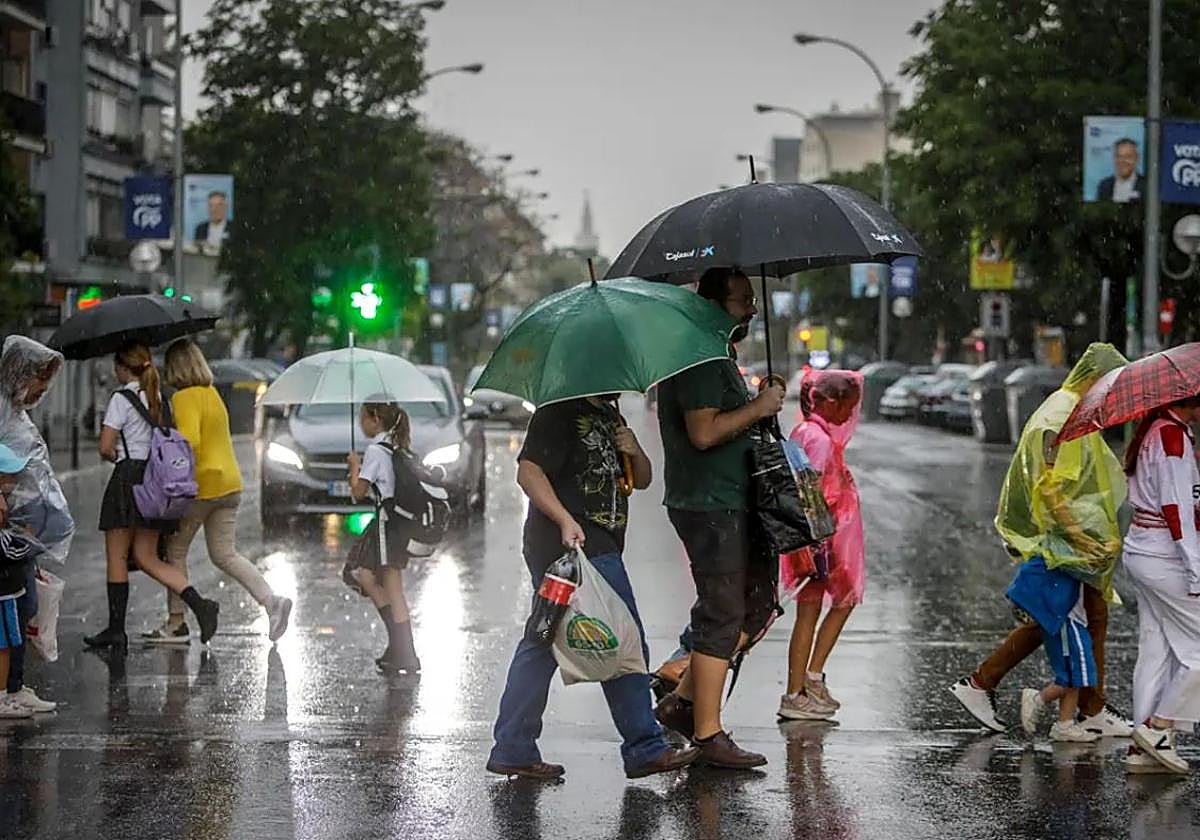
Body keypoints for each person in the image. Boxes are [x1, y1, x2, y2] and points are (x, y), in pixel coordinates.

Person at [487, 396, 698, 781]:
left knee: (543, 642)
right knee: (622, 637)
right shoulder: (557, 411)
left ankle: (513, 748)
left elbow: (644, 479)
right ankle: (644, 747)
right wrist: (565, 520)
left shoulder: (608, 413)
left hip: (596, 543)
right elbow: (529, 473)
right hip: (572, 546)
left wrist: (634, 449)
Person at [950, 343, 1132, 737]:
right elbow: (1051, 488)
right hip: (1068, 542)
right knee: (1056, 617)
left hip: (1079, 540)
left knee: (1082, 617)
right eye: (1112, 386)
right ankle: (985, 683)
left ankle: (1089, 705)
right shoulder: (1064, 413)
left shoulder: (1071, 408)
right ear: (1097, 380)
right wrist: (1083, 537)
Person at [652, 267, 785, 769]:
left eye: (752, 299)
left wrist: (759, 406)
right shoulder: (702, 354)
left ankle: (683, 703)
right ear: (713, 303)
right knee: (723, 611)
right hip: (710, 503)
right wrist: (758, 408)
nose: (753, 308)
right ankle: (708, 734)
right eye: (742, 299)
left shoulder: (715, 350)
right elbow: (704, 433)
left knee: (750, 606)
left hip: (728, 499)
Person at [147, 340, 292, 645]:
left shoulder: (185, 397)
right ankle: (271, 601)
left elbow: (190, 444)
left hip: (202, 487)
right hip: (229, 484)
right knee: (225, 554)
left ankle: (176, 624)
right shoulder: (212, 394)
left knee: (175, 551)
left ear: (175, 367)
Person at [83, 344, 220, 653]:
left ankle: (116, 630)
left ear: (122, 367)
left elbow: (105, 447)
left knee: (118, 556)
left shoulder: (121, 398)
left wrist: (118, 454)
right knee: (146, 557)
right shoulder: (159, 397)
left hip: (128, 480)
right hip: (156, 480)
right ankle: (200, 605)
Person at [1120, 396, 1200, 774]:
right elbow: (1177, 511)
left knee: (1156, 648)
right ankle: (1158, 728)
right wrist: (1196, 567)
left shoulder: (1155, 430)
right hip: (1166, 556)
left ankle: (1142, 748)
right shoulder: (1171, 439)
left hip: (1144, 551)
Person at [778, 371, 864, 721]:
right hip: (823, 541)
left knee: (808, 612)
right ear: (832, 402)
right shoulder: (821, 440)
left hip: (811, 539)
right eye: (847, 405)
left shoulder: (807, 431)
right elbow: (813, 494)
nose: (849, 414)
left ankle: (796, 692)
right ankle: (811, 679)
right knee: (843, 601)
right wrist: (818, 544)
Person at [0, 336, 73, 714]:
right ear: (21, 373)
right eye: (39, 382)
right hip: (10, 529)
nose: (41, 392)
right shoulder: (2, 411)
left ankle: (15, 684)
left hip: (24, 530)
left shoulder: (14, 410)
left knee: (24, 605)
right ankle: (7, 689)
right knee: (14, 608)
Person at [344, 399, 428, 676]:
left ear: (375, 418)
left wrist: (354, 466)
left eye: (363, 418)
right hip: (396, 526)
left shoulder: (376, 451)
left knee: (392, 587)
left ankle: (406, 653)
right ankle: (398, 648)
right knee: (364, 574)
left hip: (387, 526)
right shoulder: (395, 447)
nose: (360, 424)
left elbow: (358, 493)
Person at [1010, 557, 1102, 743]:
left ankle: (1065, 724)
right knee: (1075, 672)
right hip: (1066, 619)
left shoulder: (1058, 548)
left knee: (1071, 674)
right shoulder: (1062, 550)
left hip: (1069, 617)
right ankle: (1038, 699)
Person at [0, 443, 40, 719]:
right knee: (3, 645)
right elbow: (5, 549)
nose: (15, 481)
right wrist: (28, 542)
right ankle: (3, 696)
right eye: (10, 475)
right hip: (3, 592)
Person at [1096, 138, 1146, 203]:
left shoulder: (1147, 186)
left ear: (1136, 159)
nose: (1122, 161)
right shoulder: (1104, 185)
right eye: (1119, 156)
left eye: (1128, 156)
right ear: (1114, 159)